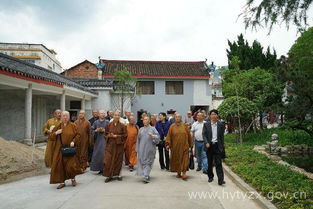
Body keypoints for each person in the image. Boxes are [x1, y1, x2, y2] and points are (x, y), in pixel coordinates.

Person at [49, 111, 83, 189]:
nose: (65, 117)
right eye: (63, 116)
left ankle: (73, 179)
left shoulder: (73, 125)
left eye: (66, 116)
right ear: (61, 117)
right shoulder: (58, 126)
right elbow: (51, 137)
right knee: (60, 166)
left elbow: (78, 135)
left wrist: (73, 141)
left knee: (70, 165)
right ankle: (62, 182)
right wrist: (56, 133)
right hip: (60, 149)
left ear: (69, 117)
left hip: (70, 149)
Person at [165, 113, 193, 180]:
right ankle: (178, 172)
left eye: (179, 117)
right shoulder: (172, 126)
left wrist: (190, 144)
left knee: (185, 159)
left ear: (181, 118)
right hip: (175, 147)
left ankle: (184, 173)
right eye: (176, 117)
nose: (178, 118)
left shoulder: (184, 126)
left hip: (185, 146)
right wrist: (168, 144)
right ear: (175, 118)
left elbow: (189, 135)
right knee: (177, 159)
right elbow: (169, 136)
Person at [202, 109, 226, 186]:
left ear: (217, 116)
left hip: (217, 146)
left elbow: (222, 137)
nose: (213, 116)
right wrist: (206, 143)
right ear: (209, 116)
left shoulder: (221, 125)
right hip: (209, 146)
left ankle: (221, 179)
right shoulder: (206, 124)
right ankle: (210, 176)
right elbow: (204, 135)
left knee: (218, 163)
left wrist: (222, 147)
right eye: (212, 114)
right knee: (210, 163)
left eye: (215, 114)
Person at [103, 111, 127, 183]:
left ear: (120, 116)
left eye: (118, 115)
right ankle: (109, 175)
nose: (117, 116)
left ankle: (118, 175)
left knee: (118, 160)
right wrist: (109, 136)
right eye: (115, 115)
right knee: (108, 160)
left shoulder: (123, 126)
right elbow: (105, 134)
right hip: (110, 146)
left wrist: (117, 136)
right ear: (113, 116)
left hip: (118, 145)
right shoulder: (109, 125)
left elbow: (125, 135)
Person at [136, 116, 160, 183]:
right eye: (144, 119)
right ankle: (146, 174)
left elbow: (158, 137)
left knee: (148, 162)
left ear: (149, 121)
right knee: (142, 161)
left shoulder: (153, 129)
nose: (145, 121)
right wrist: (137, 148)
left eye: (146, 119)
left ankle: (146, 175)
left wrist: (153, 136)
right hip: (142, 148)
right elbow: (138, 139)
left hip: (150, 149)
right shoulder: (141, 129)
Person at [90, 110, 108, 174]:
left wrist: (105, 130)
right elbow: (91, 131)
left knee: (105, 155)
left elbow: (110, 131)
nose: (102, 114)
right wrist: (96, 130)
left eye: (103, 113)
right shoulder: (95, 122)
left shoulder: (107, 122)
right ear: (99, 115)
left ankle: (105, 169)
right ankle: (100, 169)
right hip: (98, 141)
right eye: (101, 113)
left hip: (105, 141)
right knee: (98, 155)